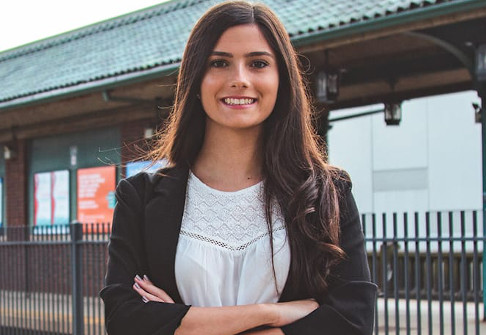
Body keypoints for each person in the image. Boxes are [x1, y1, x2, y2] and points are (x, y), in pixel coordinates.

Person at [99, 1, 376, 334]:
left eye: (258, 63)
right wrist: (269, 314)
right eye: (219, 63)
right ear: (196, 80)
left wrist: (183, 323)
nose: (240, 79)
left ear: (282, 79)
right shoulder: (139, 199)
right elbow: (124, 322)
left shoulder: (329, 191)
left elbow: (353, 323)